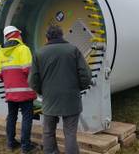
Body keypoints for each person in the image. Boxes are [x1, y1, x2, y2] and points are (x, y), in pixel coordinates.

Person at [29, 25, 92, 154]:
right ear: (62, 36)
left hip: (50, 99)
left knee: (48, 132)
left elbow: (33, 80)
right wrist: (79, 88)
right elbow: (85, 75)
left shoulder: (39, 53)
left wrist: (43, 91)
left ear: (47, 38)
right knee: (69, 133)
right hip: (71, 98)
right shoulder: (73, 50)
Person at [0, 26, 37, 153]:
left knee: (12, 116)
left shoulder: (1, 53)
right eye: (19, 34)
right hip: (25, 92)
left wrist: (10, 82)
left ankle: (11, 143)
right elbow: (28, 70)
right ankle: (26, 146)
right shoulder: (24, 49)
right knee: (26, 117)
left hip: (10, 92)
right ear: (16, 35)